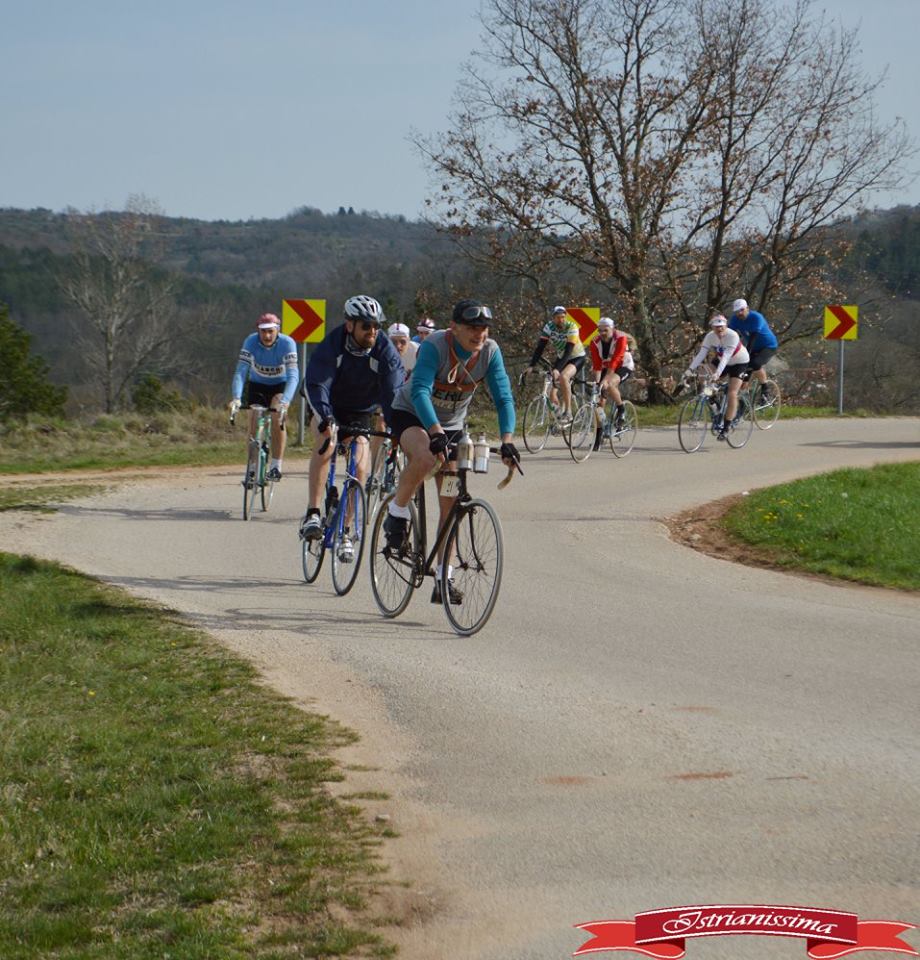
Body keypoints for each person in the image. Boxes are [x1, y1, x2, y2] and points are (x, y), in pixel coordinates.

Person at [383, 298, 521, 605]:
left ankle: (444, 578)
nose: (479, 334)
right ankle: (397, 512)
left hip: (453, 427)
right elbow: (419, 390)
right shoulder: (434, 346)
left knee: (451, 504)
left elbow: (503, 399)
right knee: (425, 457)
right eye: (472, 328)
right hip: (413, 415)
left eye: (484, 328)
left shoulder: (490, 352)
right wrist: (434, 432)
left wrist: (508, 440)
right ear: (455, 327)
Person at [299, 296, 404, 561]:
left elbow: (393, 392)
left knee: (359, 465)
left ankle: (346, 532)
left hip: (361, 411)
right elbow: (317, 384)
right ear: (350, 326)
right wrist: (325, 417)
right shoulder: (332, 345)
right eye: (365, 326)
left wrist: (397, 428)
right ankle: (313, 513)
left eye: (376, 326)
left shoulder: (385, 351)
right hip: (329, 406)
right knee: (328, 441)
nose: (372, 332)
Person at [229, 313, 299, 481]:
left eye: (271, 331)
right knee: (253, 418)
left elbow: (293, 375)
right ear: (258, 331)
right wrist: (237, 398)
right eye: (263, 332)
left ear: (277, 330)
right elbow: (241, 371)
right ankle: (252, 469)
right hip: (257, 385)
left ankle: (276, 466)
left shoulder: (287, 343)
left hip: (279, 386)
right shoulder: (250, 342)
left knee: (277, 417)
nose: (267, 336)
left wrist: (285, 402)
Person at [684, 314, 750, 440]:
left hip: (739, 362)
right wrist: (689, 370)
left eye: (722, 327)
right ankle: (713, 401)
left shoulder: (732, 335)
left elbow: (726, 356)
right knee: (703, 373)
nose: (719, 330)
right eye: (716, 327)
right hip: (722, 361)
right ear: (712, 328)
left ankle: (726, 427)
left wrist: (717, 374)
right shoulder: (710, 336)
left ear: (726, 326)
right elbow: (701, 354)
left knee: (732, 393)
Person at [524, 305, 587, 424]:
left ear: (566, 317)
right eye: (558, 317)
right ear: (553, 318)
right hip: (561, 358)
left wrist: (557, 369)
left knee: (563, 376)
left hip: (576, 357)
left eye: (563, 317)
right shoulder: (549, 327)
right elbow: (540, 348)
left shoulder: (572, 327)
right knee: (550, 391)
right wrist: (531, 366)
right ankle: (559, 416)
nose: (561, 320)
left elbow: (568, 351)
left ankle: (568, 412)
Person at [589, 316, 633, 438]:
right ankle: (599, 434)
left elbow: (616, 359)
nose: (602, 333)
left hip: (623, 365)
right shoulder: (594, 342)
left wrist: (605, 380)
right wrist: (598, 384)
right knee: (599, 401)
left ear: (612, 329)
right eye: (600, 330)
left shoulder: (620, 338)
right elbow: (597, 365)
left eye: (605, 330)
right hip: (606, 366)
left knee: (609, 384)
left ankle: (621, 409)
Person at [728, 298, 778, 396]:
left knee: (754, 364)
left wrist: (745, 355)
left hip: (768, 346)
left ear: (747, 308)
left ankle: (765, 387)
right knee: (742, 373)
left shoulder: (756, 317)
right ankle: (743, 396)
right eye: (737, 311)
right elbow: (730, 335)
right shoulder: (735, 319)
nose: (740, 313)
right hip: (754, 347)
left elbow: (753, 338)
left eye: (742, 310)